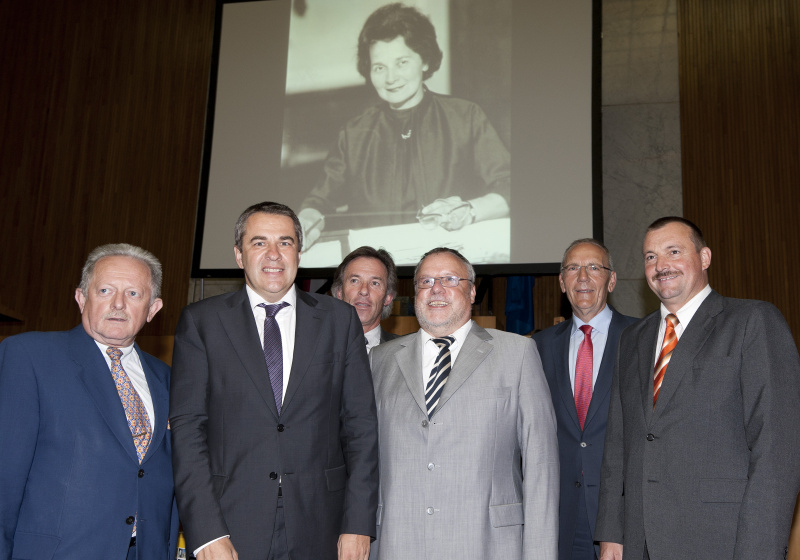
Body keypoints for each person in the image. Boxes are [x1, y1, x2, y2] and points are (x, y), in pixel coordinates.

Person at [170, 201, 379, 560]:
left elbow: (360, 427)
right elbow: (188, 431)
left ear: (299, 252)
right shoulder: (201, 322)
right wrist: (204, 533)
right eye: (258, 242)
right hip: (229, 523)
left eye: (285, 242)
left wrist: (358, 522)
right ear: (239, 255)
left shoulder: (339, 320)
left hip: (322, 523)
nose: (273, 254)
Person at [595, 217, 800, 560]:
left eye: (673, 251)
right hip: (638, 543)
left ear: (704, 258)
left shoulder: (752, 321)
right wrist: (612, 534)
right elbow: (619, 444)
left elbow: (778, 448)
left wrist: (760, 550)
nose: (660, 266)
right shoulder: (632, 339)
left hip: (722, 541)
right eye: (650, 257)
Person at [369, 247, 559, 560]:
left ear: (471, 292)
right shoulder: (381, 360)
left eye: (448, 279)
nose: (436, 289)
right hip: (398, 542)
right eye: (425, 281)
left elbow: (542, 466)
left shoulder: (517, 353)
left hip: (488, 545)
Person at [0, 243, 178, 559]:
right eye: (105, 290)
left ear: (153, 309)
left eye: (134, 294)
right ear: (82, 298)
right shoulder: (29, 357)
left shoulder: (168, 379)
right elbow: (6, 474)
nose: (119, 304)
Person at [298, 3, 510, 248]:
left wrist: (469, 210)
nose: (390, 78)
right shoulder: (353, 134)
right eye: (379, 67)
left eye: (402, 63)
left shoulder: (466, 117)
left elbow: (510, 188)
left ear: (425, 61)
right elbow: (317, 203)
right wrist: (305, 223)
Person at [532, 239, 637, 560]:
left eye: (594, 267)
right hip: (559, 516)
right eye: (573, 269)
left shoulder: (643, 338)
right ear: (562, 283)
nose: (582, 277)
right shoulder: (538, 346)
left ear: (612, 280)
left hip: (622, 516)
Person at [332, 246, 400, 351]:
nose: (364, 291)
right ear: (339, 292)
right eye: (355, 281)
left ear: (388, 298)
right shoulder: (313, 346)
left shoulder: (407, 353)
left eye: (375, 283)